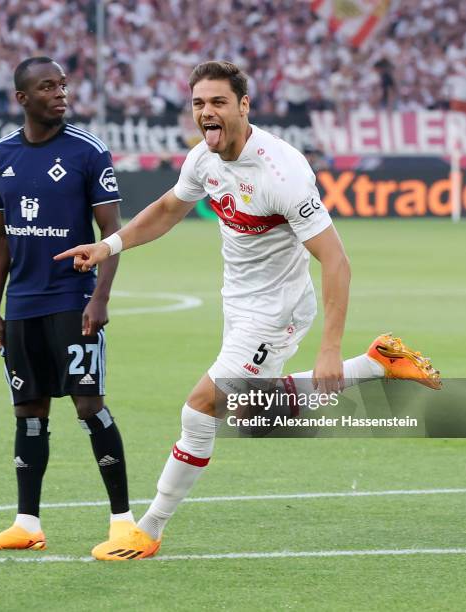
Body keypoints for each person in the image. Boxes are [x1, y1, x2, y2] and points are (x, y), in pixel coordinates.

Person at [56, 60, 441, 560]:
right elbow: (170, 208)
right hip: (237, 303)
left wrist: (328, 347)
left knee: (200, 407)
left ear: (244, 105)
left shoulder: (282, 171)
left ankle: (148, 528)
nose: (206, 112)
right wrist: (108, 246)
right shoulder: (204, 158)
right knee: (255, 408)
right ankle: (376, 364)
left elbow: (336, 260)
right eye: (198, 103)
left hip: (278, 309)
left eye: (218, 102)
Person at [0, 56, 134, 552]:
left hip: (73, 299)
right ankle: (27, 524)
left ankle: (124, 521)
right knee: (28, 411)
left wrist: (100, 297)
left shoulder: (88, 151)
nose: (61, 93)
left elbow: (113, 233)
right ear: (22, 98)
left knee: (90, 407)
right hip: (21, 305)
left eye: (63, 85)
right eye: (48, 87)